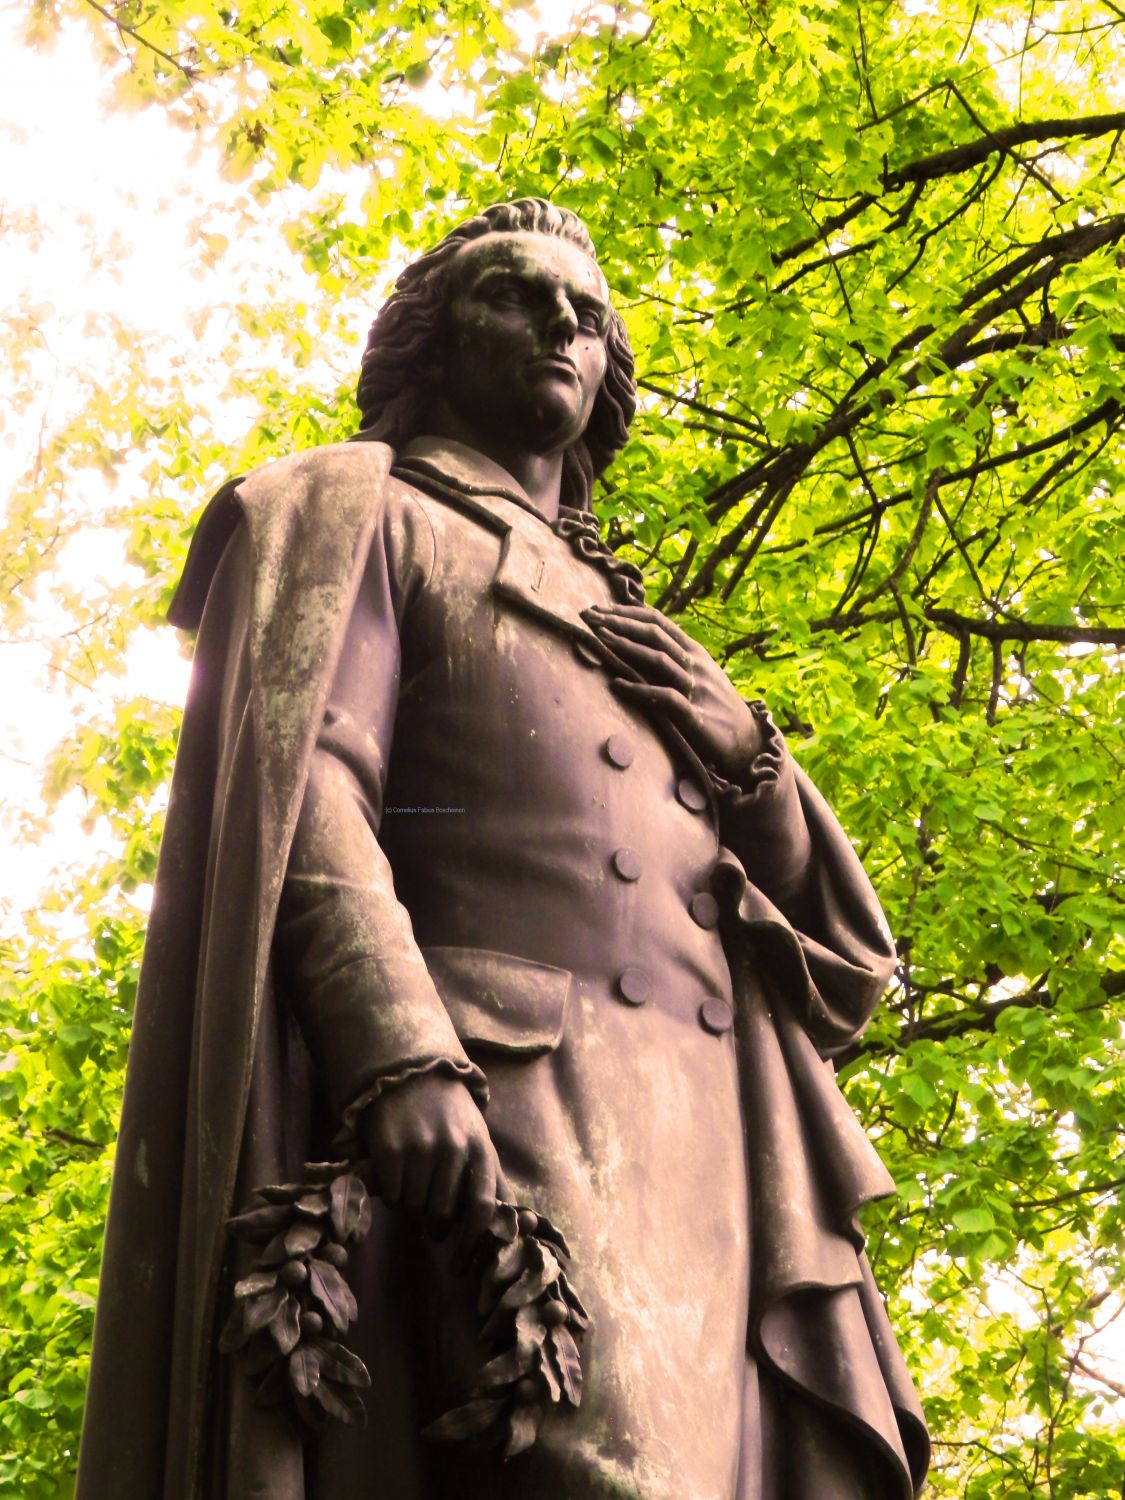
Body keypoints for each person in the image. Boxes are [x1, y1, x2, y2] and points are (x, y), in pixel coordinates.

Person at [76, 198, 929, 1500]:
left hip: (712, 1160)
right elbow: (312, 791)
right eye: (511, 294)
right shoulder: (362, 513)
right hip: (513, 1094)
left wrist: (749, 755)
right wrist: (399, 1047)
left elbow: (846, 970)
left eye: (587, 315)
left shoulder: (638, 630)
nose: (559, 326)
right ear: (429, 343)